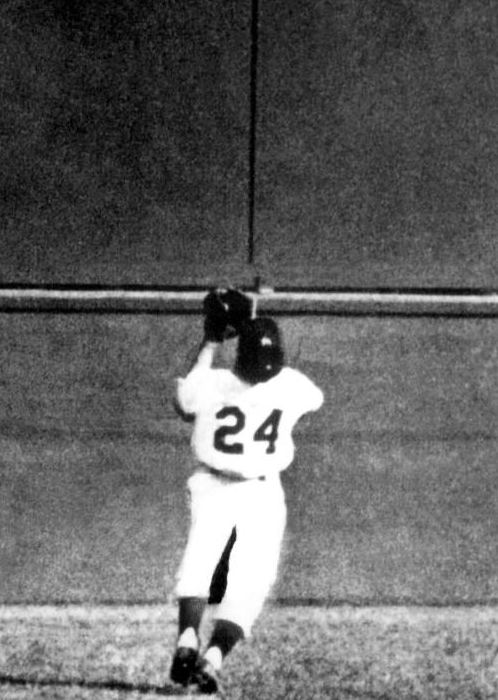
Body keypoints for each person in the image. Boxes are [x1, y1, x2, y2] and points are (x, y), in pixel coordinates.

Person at [169, 288, 324, 693]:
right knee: (252, 578)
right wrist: (253, 323)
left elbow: (184, 403)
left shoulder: (216, 383)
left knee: (200, 562)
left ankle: (188, 636)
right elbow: (311, 397)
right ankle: (215, 656)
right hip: (260, 491)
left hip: (213, 484)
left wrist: (212, 338)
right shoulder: (291, 386)